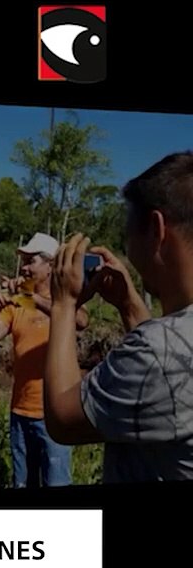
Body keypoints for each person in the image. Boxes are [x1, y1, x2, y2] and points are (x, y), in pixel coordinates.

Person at [44, 151, 193, 482]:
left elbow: (61, 417)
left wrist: (63, 303)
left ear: (156, 230)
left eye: (128, 229)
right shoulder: (169, 346)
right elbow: (172, 366)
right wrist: (130, 306)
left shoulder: (156, 352)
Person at [0, 232, 89, 488]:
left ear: (50, 265)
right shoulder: (15, 305)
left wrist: (32, 299)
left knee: (56, 483)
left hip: (55, 416)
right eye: (24, 261)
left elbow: (81, 320)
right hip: (20, 414)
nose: (24, 267)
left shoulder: (65, 301)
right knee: (22, 483)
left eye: (31, 260)